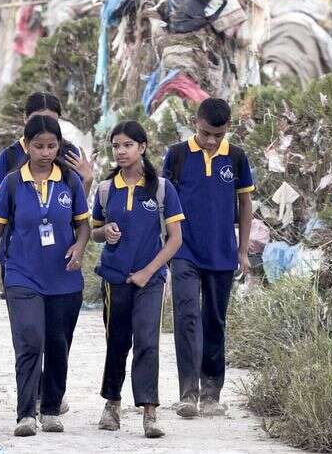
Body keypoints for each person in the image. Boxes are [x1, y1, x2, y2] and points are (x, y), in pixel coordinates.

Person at [0, 115, 91, 437]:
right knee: (30, 339)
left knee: (58, 344)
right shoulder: (14, 183)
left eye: (52, 146)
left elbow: (83, 223)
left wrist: (80, 246)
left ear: (58, 146)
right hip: (22, 274)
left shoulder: (70, 181)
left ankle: (50, 409)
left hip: (63, 276)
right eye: (39, 146)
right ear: (27, 146)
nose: (46, 152)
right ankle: (25, 414)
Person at [91, 122, 184, 438]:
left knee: (147, 341)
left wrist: (148, 271)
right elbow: (92, 231)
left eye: (128, 145)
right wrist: (105, 233)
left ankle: (149, 412)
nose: (121, 151)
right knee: (117, 342)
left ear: (142, 147)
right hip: (114, 278)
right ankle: (112, 405)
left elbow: (175, 240)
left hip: (151, 280)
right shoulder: (106, 189)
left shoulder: (161, 189)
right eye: (116, 145)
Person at [162, 97, 254, 418]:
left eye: (218, 135)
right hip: (184, 250)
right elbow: (165, 202)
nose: (211, 141)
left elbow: (244, 206)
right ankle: (187, 392)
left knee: (214, 319)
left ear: (228, 127)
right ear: (194, 122)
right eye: (205, 134)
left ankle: (212, 392)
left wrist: (242, 250)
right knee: (187, 317)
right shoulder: (176, 155)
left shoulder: (238, 158)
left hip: (222, 251)